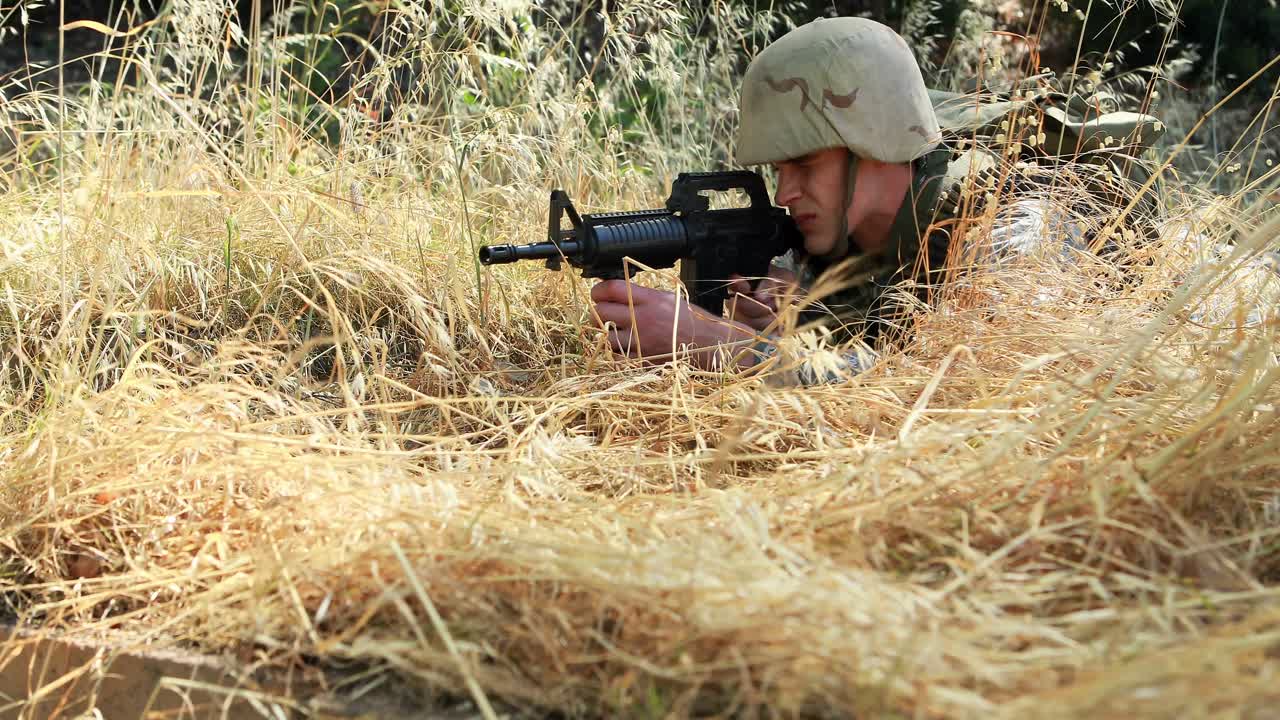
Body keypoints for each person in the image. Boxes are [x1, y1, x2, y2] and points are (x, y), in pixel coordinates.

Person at [590, 16, 1163, 383]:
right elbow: (864, 337)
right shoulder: (830, 232)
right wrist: (801, 314)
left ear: (879, 147)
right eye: (779, 170)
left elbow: (963, 391)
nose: (786, 192)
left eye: (806, 166)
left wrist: (726, 348)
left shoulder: (1016, 223)